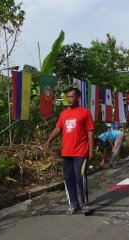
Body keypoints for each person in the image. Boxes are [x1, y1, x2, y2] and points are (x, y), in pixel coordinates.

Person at [44, 87, 94, 216]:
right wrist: (49, 139)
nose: (69, 99)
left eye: (71, 97)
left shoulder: (85, 112)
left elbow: (90, 131)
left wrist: (91, 150)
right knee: (68, 178)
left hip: (81, 151)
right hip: (66, 152)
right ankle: (74, 204)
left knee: (80, 177)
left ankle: (85, 205)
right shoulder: (64, 113)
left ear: (78, 98)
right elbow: (58, 128)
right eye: (68, 97)